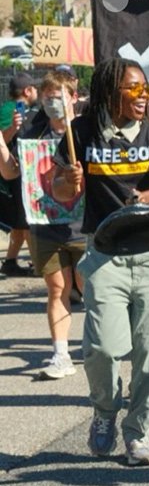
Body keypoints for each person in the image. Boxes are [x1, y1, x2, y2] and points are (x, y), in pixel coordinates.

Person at [51, 57, 149, 465]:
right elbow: (59, 192)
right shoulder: (80, 132)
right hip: (105, 252)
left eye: (146, 89)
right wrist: (67, 182)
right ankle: (106, 410)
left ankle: (139, 433)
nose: (143, 97)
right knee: (103, 348)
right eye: (133, 89)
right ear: (111, 91)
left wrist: (140, 199)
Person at [0, 71, 84, 379]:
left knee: (89, 287)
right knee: (56, 289)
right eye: (47, 97)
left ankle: (101, 346)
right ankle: (60, 354)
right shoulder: (34, 132)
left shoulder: (86, 131)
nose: (51, 103)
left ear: (74, 98)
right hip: (45, 224)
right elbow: (12, 173)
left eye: (58, 97)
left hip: (83, 225)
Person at [0, 72, 38, 277]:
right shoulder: (10, 110)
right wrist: (14, 127)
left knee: (20, 221)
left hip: (15, 171)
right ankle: (38, 263)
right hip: (13, 172)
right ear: (27, 90)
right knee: (26, 221)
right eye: (35, 88)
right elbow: (2, 139)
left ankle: (10, 261)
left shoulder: (13, 109)